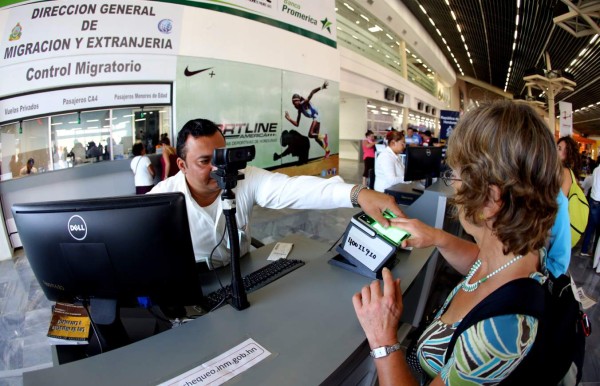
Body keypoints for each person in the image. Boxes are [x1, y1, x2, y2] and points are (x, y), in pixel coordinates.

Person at [352, 100, 562, 384]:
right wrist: (437, 237)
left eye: (455, 176)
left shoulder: (496, 335)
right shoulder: (523, 253)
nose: (453, 188)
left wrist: (383, 339)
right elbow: (485, 268)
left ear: (490, 200)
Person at [150, 118, 402, 268]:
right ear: (182, 166)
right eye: (205, 161)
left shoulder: (244, 177)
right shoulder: (161, 200)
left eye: (221, 156)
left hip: (244, 270)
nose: (218, 168)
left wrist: (357, 193)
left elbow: (293, 189)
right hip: (198, 285)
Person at [284, 81, 331, 158]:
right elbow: (297, 124)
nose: (294, 104)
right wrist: (289, 119)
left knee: (310, 134)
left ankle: (324, 136)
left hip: (317, 116)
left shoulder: (304, 103)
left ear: (299, 101)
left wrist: (322, 87)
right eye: (293, 102)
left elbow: (312, 92)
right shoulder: (299, 110)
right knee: (316, 138)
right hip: (316, 117)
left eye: (295, 101)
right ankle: (327, 150)